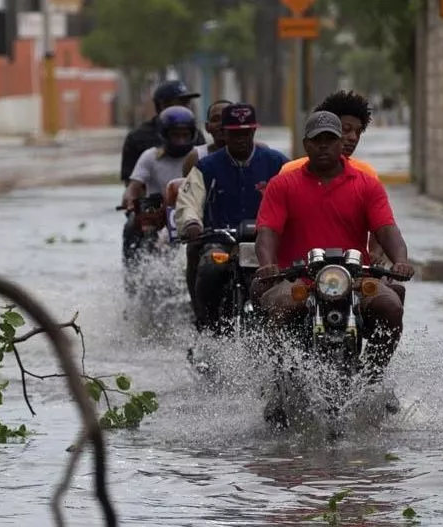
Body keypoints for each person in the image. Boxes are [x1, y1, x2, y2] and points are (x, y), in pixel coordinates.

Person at [252, 110, 415, 419]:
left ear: (342, 143)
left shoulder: (366, 184)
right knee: (278, 307)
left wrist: (401, 260)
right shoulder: (282, 184)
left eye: (330, 139)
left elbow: (387, 230)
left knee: (391, 306)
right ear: (305, 144)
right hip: (299, 279)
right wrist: (268, 265)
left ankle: (371, 381)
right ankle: (279, 384)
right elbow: (267, 234)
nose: (324, 146)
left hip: (353, 279)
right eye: (317, 140)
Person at [175, 103, 289, 332]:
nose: (240, 138)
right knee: (209, 269)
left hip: (266, 244)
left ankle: (284, 335)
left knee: (288, 281)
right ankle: (207, 327)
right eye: (234, 133)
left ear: (254, 131)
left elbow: (299, 200)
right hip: (221, 241)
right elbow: (189, 202)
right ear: (224, 133)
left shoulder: (277, 163)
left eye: (245, 132)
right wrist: (191, 223)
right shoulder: (205, 167)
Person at [278, 90, 387, 264]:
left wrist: (375, 254)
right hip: (299, 270)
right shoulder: (289, 172)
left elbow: (381, 226)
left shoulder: (367, 174)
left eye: (358, 132)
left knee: (391, 291)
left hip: (351, 270)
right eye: (346, 130)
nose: (353, 137)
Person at [121, 106, 198, 288]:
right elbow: (134, 186)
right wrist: (130, 200)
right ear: (164, 135)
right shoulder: (150, 157)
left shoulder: (199, 155)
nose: (180, 140)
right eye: (175, 135)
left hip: (193, 212)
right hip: (159, 215)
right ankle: (133, 277)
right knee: (132, 224)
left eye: (185, 135)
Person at [120, 80, 206, 187]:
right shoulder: (137, 137)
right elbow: (131, 183)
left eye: (187, 103)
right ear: (162, 105)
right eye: (182, 103)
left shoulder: (195, 134)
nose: (187, 107)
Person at [181, 99, 232, 177]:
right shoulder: (195, 157)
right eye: (215, 119)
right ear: (207, 127)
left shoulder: (253, 154)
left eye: (227, 118)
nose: (222, 124)